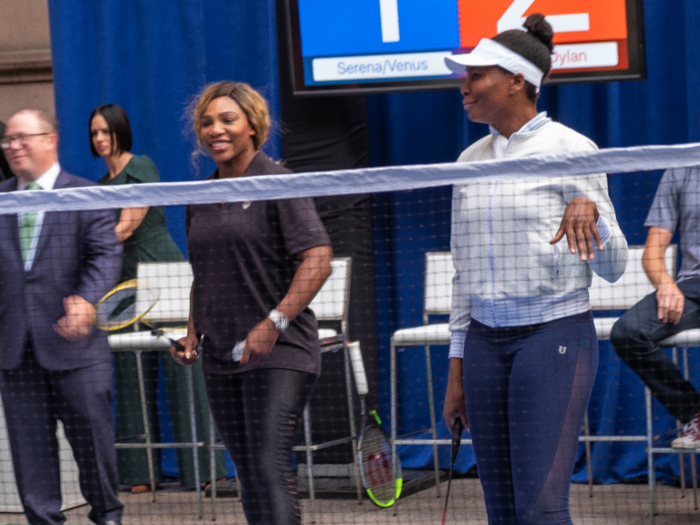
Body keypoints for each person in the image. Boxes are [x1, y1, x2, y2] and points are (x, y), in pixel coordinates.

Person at [441, 15, 628, 525]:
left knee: (541, 509)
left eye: (476, 76)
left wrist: (594, 215)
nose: (465, 86)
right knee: (501, 511)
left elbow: (614, 268)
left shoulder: (571, 150)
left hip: (553, 335)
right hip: (482, 343)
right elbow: (463, 274)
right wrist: (456, 370)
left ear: (516, 81)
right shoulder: (467, 161)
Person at [170, 81, 332, 525]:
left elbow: (318, 260)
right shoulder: (200, 196)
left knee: (269, 464)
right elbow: (204, 274)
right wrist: (192, 332)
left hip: (281, 350)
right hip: (222, 355)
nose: (215, 130)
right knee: (248, 473)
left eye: (227, 120)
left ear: (252, 127)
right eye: (207, 122)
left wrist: (273, 322)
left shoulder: (278, 183)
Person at [89, 103, 228, 492]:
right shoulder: (99, 187)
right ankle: (139, 473)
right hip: (121, 283)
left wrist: (87, 247)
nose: (100, 140)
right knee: (130, 374)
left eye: (106, 132)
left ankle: (207, 468)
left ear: (120, 131)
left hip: (162, 273)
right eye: (94, 134)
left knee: (185, 367)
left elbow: (125, 227)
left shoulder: (142, 167)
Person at [0, 109, 123, 525]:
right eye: (8, 140)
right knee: (30, 458)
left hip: (78, 351)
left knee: (94, 448)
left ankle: (108, 516)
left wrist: (87, 299)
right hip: (16, 353)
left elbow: (106, 254)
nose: (14, 146)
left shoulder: (83, 194)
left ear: (50, 140)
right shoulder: (0, 198)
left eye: (23, 137)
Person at [611, 167, 700, 448]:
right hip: (694, 288)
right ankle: (694, 414)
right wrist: (665, 284)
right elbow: (653, 253)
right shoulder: (682, 171)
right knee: (627, 333)